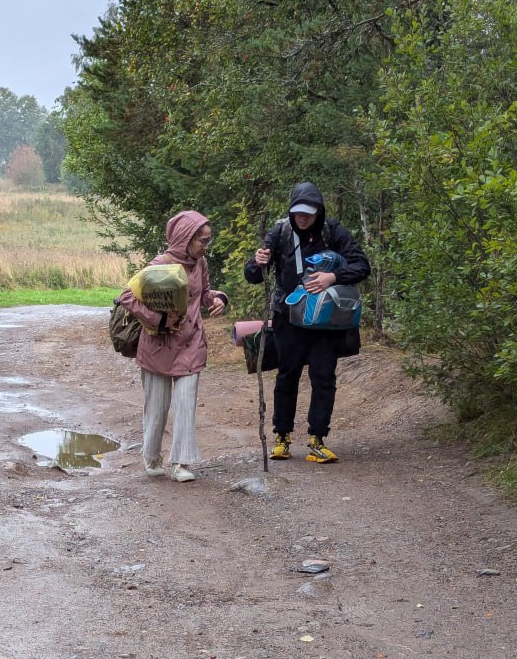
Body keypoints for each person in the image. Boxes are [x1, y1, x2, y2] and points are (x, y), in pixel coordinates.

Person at [244, 181, 370, 463]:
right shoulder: (280, 232)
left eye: (308, 213)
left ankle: (317, 439)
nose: (302, 217)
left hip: (325, 320)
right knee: (287, 375)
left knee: (324, 377)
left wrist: (333, 277)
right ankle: (282, 437)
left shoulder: (333, 231)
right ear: (291, 211)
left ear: (319, 212)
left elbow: (362, 265)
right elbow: (252, 275)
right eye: (298, 212)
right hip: (288, 316)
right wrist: (257, 261)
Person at [119, 210, 228, 482]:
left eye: (208, 240)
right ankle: (152, 457)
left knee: (185, 403)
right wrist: (158, 319)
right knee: (156, 406)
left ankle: (182, 463)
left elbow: (203, 295)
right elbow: (126, 296)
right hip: (158, 344)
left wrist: (218, 299)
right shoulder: (159, 265)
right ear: (185, 237)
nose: (205, 246)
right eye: (202, 240)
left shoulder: (200, 263)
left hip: (191, 343)